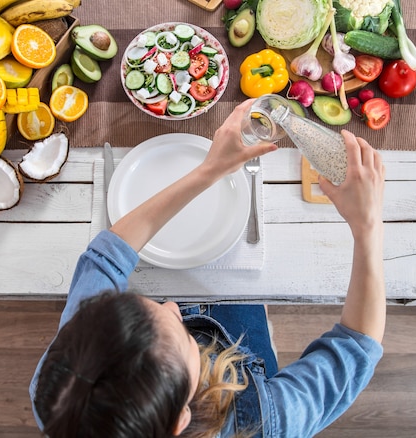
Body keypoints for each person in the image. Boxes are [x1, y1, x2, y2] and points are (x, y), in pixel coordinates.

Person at [29, 99, 386, 438]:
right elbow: (355, 348)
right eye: (182, 336)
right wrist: (368, 225)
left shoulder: (62, 389)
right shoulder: (261, 422)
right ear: (181, 420)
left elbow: (105, 259)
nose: (172, 305)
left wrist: (211, 170)